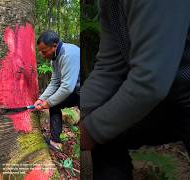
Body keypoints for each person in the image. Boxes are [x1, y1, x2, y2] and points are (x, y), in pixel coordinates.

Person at [80, 0, 190, 179]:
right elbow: (109, 68)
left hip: (178, 93)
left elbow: (150, 81)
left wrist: (91, 130)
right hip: (166, 100)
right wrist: (80, 114)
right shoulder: (110, 4)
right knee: (108, 135)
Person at [34, 31, 80, 151]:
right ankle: (55, 142)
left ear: (54, 46)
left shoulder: (67, 54)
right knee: (54, 105)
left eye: (44, 51)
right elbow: (54, 82)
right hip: (75, 91)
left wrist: (47, 103)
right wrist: (41, 99)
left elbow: (67, 87)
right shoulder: (54, 58)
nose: (42, 55)